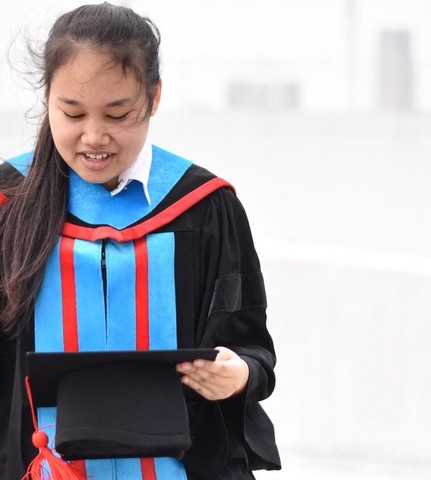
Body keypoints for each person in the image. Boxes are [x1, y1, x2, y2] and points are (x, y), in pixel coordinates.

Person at [0, 3, 280, 480]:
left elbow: (251, 349)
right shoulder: (11, 203)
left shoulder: (204, 207)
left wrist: (239, 376)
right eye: (72, 112)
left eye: (118, 113)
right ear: (47, 98)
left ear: (153, 97)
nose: (93, 136)